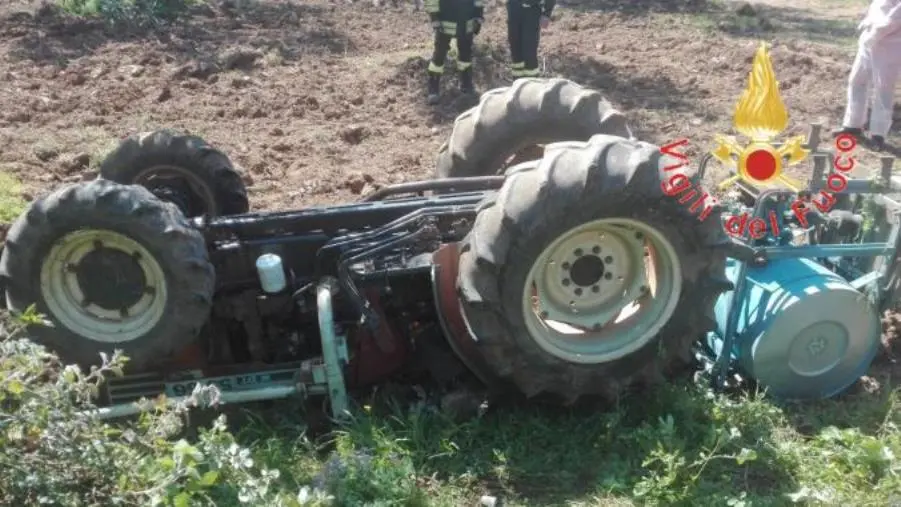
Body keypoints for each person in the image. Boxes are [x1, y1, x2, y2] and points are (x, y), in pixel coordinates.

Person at [834, 0, 901, 152]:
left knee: (883, 89)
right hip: (869, 40)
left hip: (890, 45)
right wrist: (868, 23)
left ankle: (878, 135)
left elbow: (895, 18)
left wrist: (876, 33)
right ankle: (852, 125)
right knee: (856, 81)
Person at [424, 0, 484, 104]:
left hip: (467, 21)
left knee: (465, 56)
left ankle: (466, 85)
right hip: (445, 21)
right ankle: (433, 89)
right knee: (439, 55)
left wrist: (478, 16)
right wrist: (434, 17)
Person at [507, 0, 554, 79]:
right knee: (515, 49)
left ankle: (532, 82)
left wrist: (546, 14)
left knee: (529, 50)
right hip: (514, 9)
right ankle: (517, 81)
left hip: (532, 11)